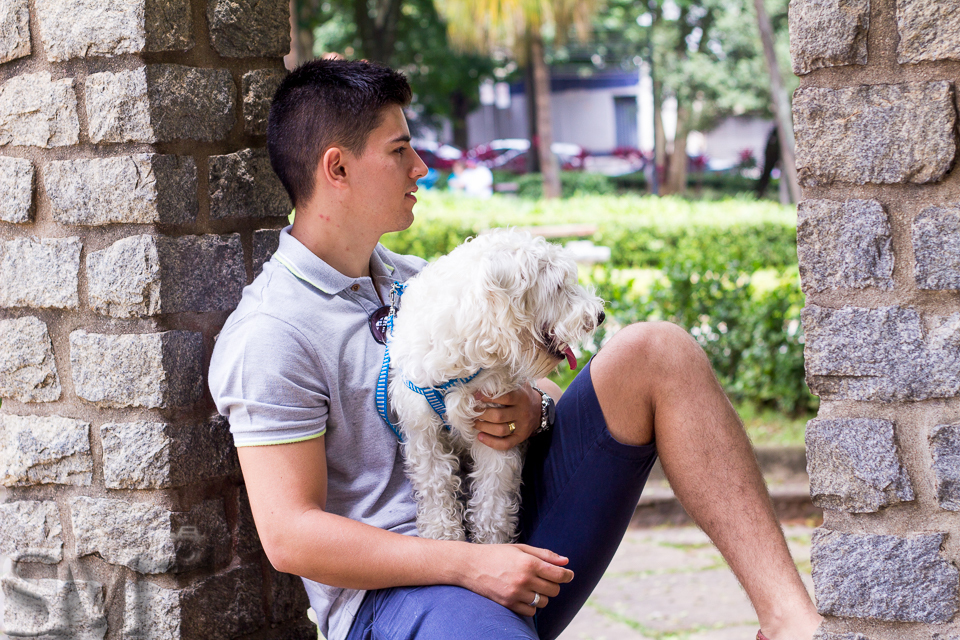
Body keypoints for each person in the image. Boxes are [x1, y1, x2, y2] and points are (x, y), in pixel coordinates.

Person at [208, 59, 822, 640]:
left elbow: (531, 381)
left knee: (657, 350)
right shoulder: (272, 331)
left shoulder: (422, 280)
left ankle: (793, 622)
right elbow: (290, 535)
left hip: (512, 527)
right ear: (337, 169)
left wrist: (534, 407)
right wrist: (468, 565)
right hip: (394, 597)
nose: (421, 167)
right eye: (400, 151)